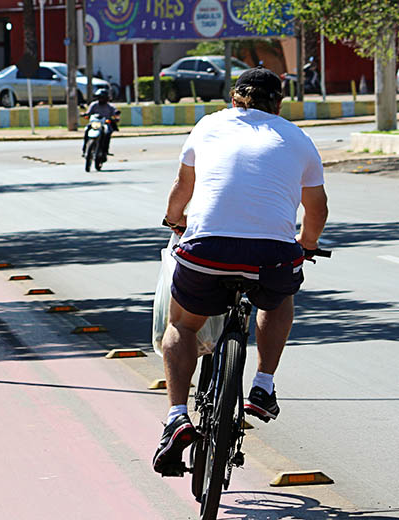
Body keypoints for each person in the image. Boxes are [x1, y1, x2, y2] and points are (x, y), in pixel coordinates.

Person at [152, 67, 329, 474]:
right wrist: (307, 246)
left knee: (183, 325)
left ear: (234, 99)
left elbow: (183, 188)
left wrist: (173, 221)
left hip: (206, 251)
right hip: (271, 256)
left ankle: (177, 417)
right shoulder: (298, 139)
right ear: (278, 104)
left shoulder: (208, 125)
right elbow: (316, 211)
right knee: (279, 296)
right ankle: (262, 386)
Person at [81, 88, 119, 157]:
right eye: (99, 97)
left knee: (107, 133)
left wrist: (116, 116)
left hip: (104, 124)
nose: (101, 99)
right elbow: (88, 112)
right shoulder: (94, 104)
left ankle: (105, 150)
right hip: (95, 123)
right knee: (86, 130)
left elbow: (115, 113)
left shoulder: (110, 106)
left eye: (102, 97)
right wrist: (85, 114)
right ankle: (84, 150)